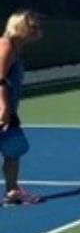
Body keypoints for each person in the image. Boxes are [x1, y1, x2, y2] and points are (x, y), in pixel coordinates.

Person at [1, 11, 44, 206]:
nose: (37, 30)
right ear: (20, 28)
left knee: (15, 148)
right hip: (2, 108)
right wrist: (3, 107)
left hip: (8, 108)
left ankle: (12, 192)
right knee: (15, 146)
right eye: (32, 27)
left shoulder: (16, 48)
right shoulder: (6, 46)